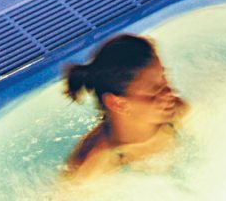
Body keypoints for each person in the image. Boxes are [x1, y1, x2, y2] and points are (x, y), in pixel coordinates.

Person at [62, 34, 186, 179]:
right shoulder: (93, 168)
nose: (169, 93)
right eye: (154, 89)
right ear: (118, 104)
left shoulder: (176, 112)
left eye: (163, 78)